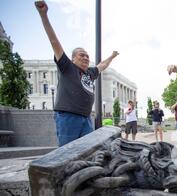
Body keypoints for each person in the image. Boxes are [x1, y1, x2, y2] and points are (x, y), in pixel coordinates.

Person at [35, 1, 119, 147]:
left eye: (87, 55)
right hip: (68, 117)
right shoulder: (67, 67)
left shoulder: (90, 73)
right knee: (67, 154)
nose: (86, 57)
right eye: (81, 55)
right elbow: (54, 41)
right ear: (73, 58)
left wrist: (112, 56)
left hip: (86, 119)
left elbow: (102, 65)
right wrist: (44, 15)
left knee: (86, 153)